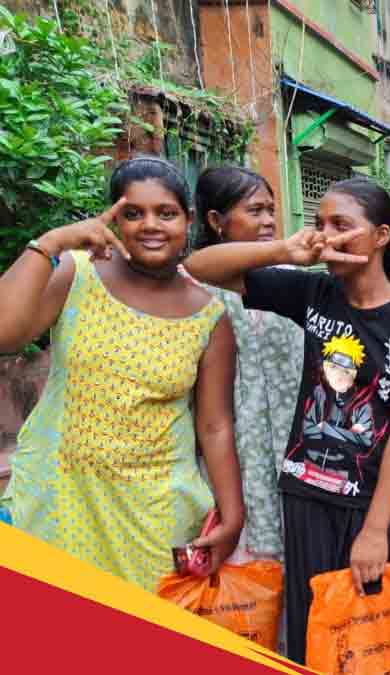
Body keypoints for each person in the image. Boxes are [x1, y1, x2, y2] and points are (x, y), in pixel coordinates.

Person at [183, 177, 390, 664]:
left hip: (369, 503)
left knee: (367, 643)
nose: (327, 235)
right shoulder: (314, 291)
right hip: (306, 493)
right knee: (310, 635)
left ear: (381, 236)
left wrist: (376, 530)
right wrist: (285, 250)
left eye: (342, 225)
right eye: (320, 223)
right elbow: (198, 266)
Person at [0, 157, 244, 592]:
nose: (150, 225)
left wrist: (233, 512)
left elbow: (215, 426)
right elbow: (5, 332)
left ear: (188, 220)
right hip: (60, 496)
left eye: (166, 213)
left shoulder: (209, 316)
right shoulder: (77, 274)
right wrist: (51, 242)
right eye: (133, 213)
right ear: (113, 219)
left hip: (152, 514)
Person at [193, 167, 304, 566]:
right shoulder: (193, 290)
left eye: (271, 210)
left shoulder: (291, 279)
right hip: (227, 456)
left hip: (290, 451)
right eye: (255, 211)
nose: (269, 221)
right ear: (215, 220)